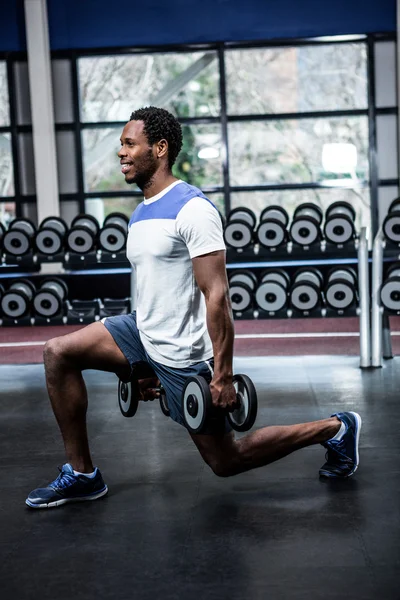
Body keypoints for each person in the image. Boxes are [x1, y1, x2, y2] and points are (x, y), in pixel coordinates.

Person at [26, 106, 362, 509]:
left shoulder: (193, 209)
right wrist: (137, 364)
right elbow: (151, 287)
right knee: (58, 352)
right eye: (121, 145)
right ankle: (82, 475)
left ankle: (335, 428)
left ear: (160, 148)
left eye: (130, 144)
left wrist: (223, 376)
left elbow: (217, 296)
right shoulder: (141, 211)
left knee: (226, 461)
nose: (121, 153)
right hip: (142, 332)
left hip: (183, 353)